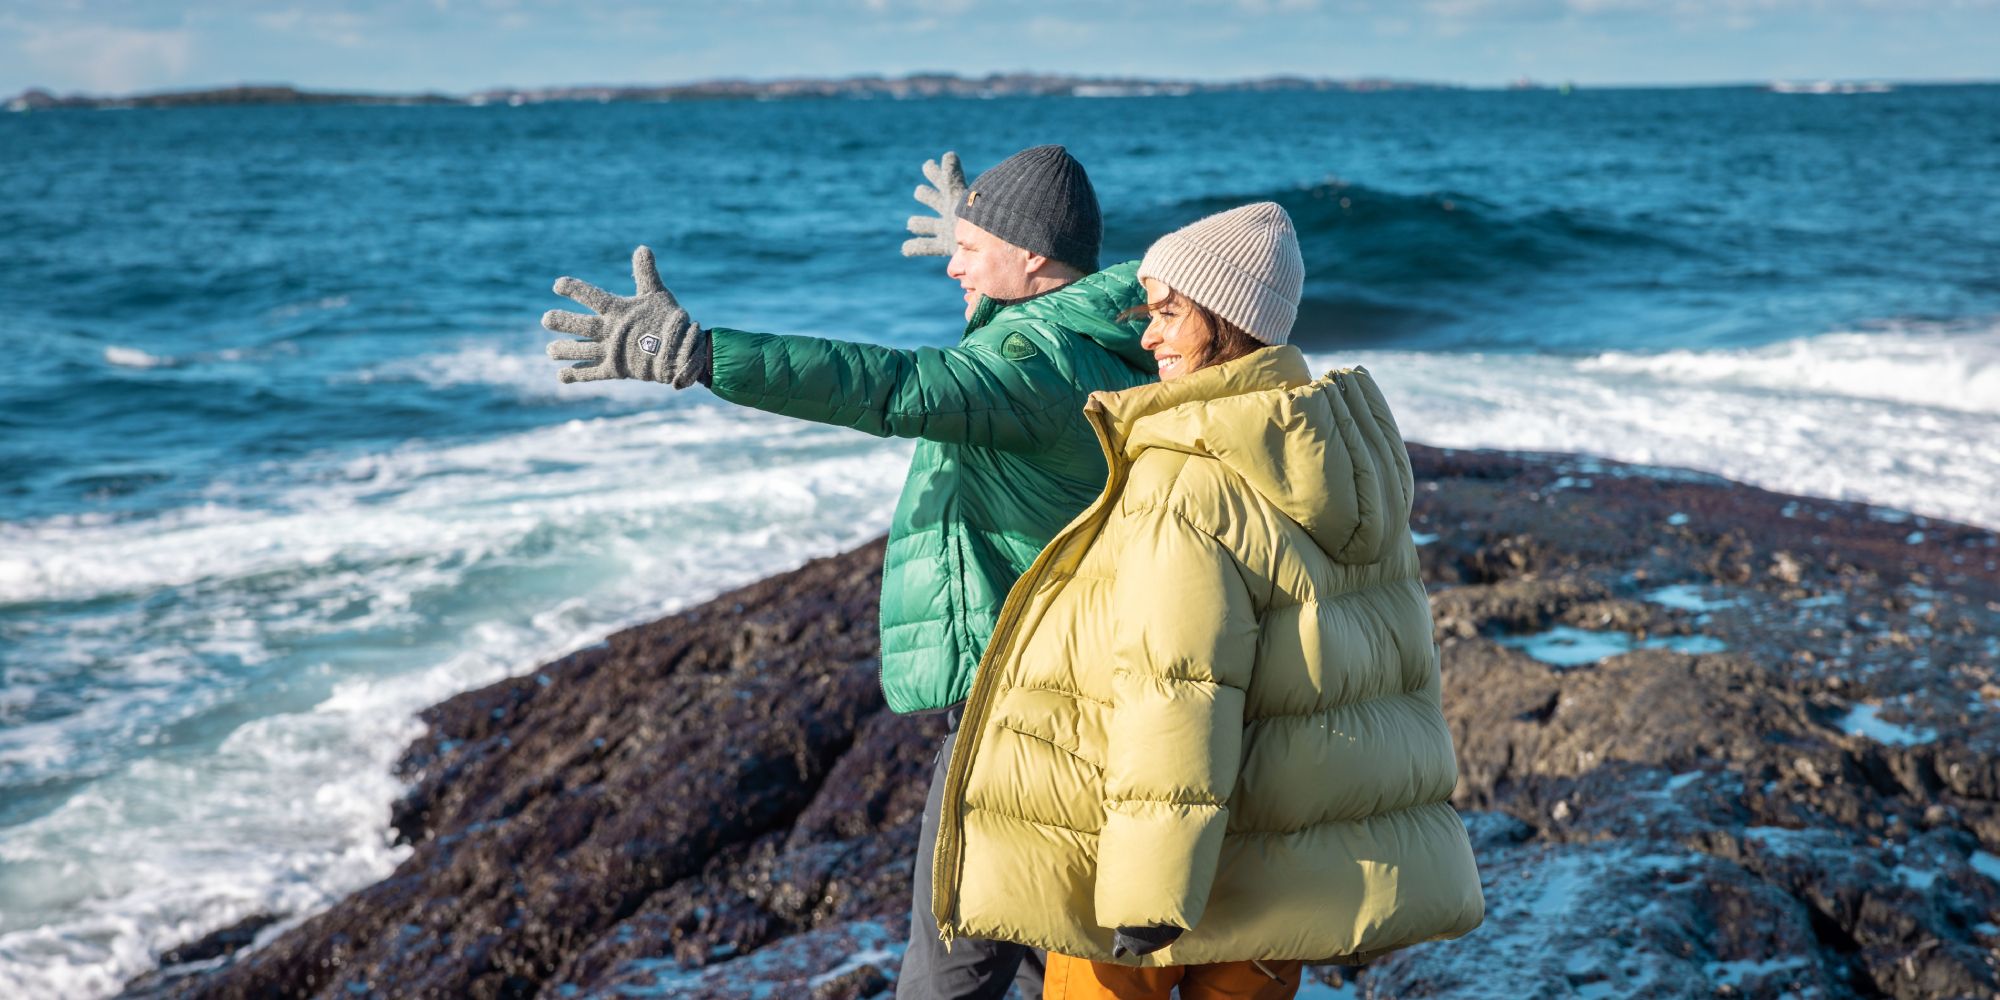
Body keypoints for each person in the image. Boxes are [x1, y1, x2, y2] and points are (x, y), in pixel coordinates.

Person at [540, 145, 1157, 1000]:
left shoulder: (1032, 365)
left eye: (969, 248)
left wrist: (707, 356)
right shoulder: (1083, 343)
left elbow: (887, 385)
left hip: (1018, 720)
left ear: (1034, 259)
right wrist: (986, 248)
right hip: (1057, 700)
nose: (950, 262)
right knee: (1042, 952)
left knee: (950, 977)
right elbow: (1000, 344)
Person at [926, 202, 1486, 1000]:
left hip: (1158, 894)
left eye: (1167, 313)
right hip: (1288, 873)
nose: (1148, 337)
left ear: (1226, 320)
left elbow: (1178, 689)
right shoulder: (1339, 452)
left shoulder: (1188, 474)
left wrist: (1147, 897)